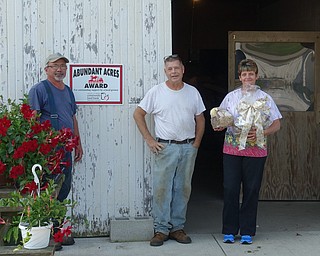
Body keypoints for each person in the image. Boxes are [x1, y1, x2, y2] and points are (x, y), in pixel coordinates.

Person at [133, 54, 206, 246]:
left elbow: (200, 119)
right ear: (165, 71)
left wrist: (196, 143)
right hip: (166, 147)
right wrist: (149, 139)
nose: (173, 71)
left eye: (177, 68)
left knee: (183, 189)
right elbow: (138, 114)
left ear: (183, 70)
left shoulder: (192, 92)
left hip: (188, 147)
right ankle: (161, 230)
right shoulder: (156, 92)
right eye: (170, 69)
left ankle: (177, 228)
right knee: (162, 190)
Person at [213, 59, 282, 244]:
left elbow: (277, 124)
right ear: (240, 77)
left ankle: (247, 231)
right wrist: (219, 124)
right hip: (232, 149)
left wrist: (261, 132)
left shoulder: (265, 98)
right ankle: (229, 230)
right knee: (230, 188)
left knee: (251, 189)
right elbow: (222, 117)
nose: (248, 77)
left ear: (256, 76)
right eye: (244, 74)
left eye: (251, 74)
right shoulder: (231, 97)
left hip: (256, 150)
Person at [28, 52, 83, 248]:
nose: (60, 69)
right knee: (50, 189)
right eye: (55, 65)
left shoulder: (68, 91)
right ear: (47, 69)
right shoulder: (39, 90)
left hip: (66, 147)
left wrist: (77, 142)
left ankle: (58, 229)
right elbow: (32, 119)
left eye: (62, 66)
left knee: (64, 188)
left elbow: (72, 117)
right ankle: (49, 233)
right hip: (49, 149)